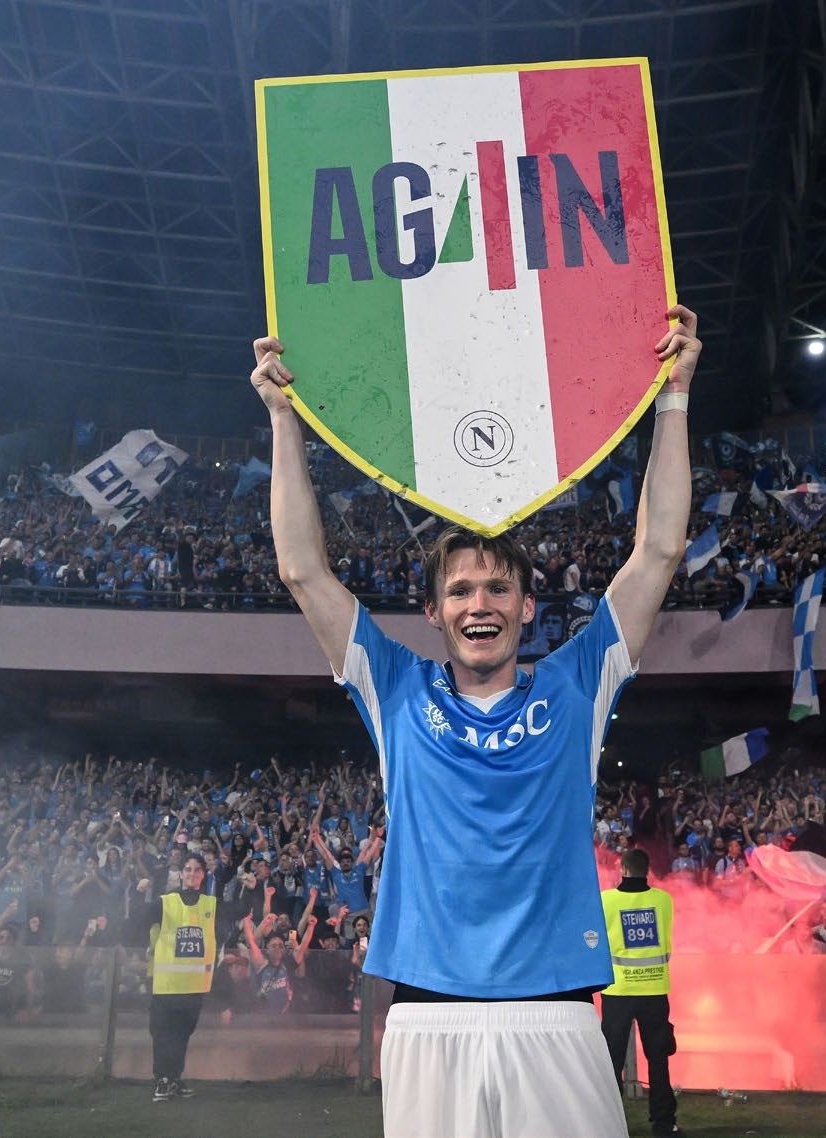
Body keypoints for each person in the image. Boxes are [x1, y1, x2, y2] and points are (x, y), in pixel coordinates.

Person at [247, 304, 700, 1138]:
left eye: (497, 588)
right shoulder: (394, 687)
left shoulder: (576, 684)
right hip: (425, 1015)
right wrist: (283, 418)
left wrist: (671, 398)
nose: (478, 603)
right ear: (432, 612)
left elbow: (660, 549)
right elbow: (300, 569)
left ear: (528, 607)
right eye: (459, 590)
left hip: (558, 1013)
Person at [599, 848, 679, 1138]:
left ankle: (607, 1125)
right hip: (655, 989)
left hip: (617, 990)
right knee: (658, 1059)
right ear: (647, 870)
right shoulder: (663, 900)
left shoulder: (606, 901)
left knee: (611, 1060)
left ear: (623, 869)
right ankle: (664, 1124)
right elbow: (666, 944)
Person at [132, 854, 215, 1103]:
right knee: (162, 1033)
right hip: (166, 985)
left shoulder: (210, 904)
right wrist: (138, 893)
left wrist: (252, 890)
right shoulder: (164, 902)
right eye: (187, 869)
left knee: (181, 1035)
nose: (191, 873)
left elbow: (238, 910)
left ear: (203, 874)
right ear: (181, 874)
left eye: (197, 869)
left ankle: (174, 1078)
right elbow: (138, 918)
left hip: (193, 987)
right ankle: (162, 1080)